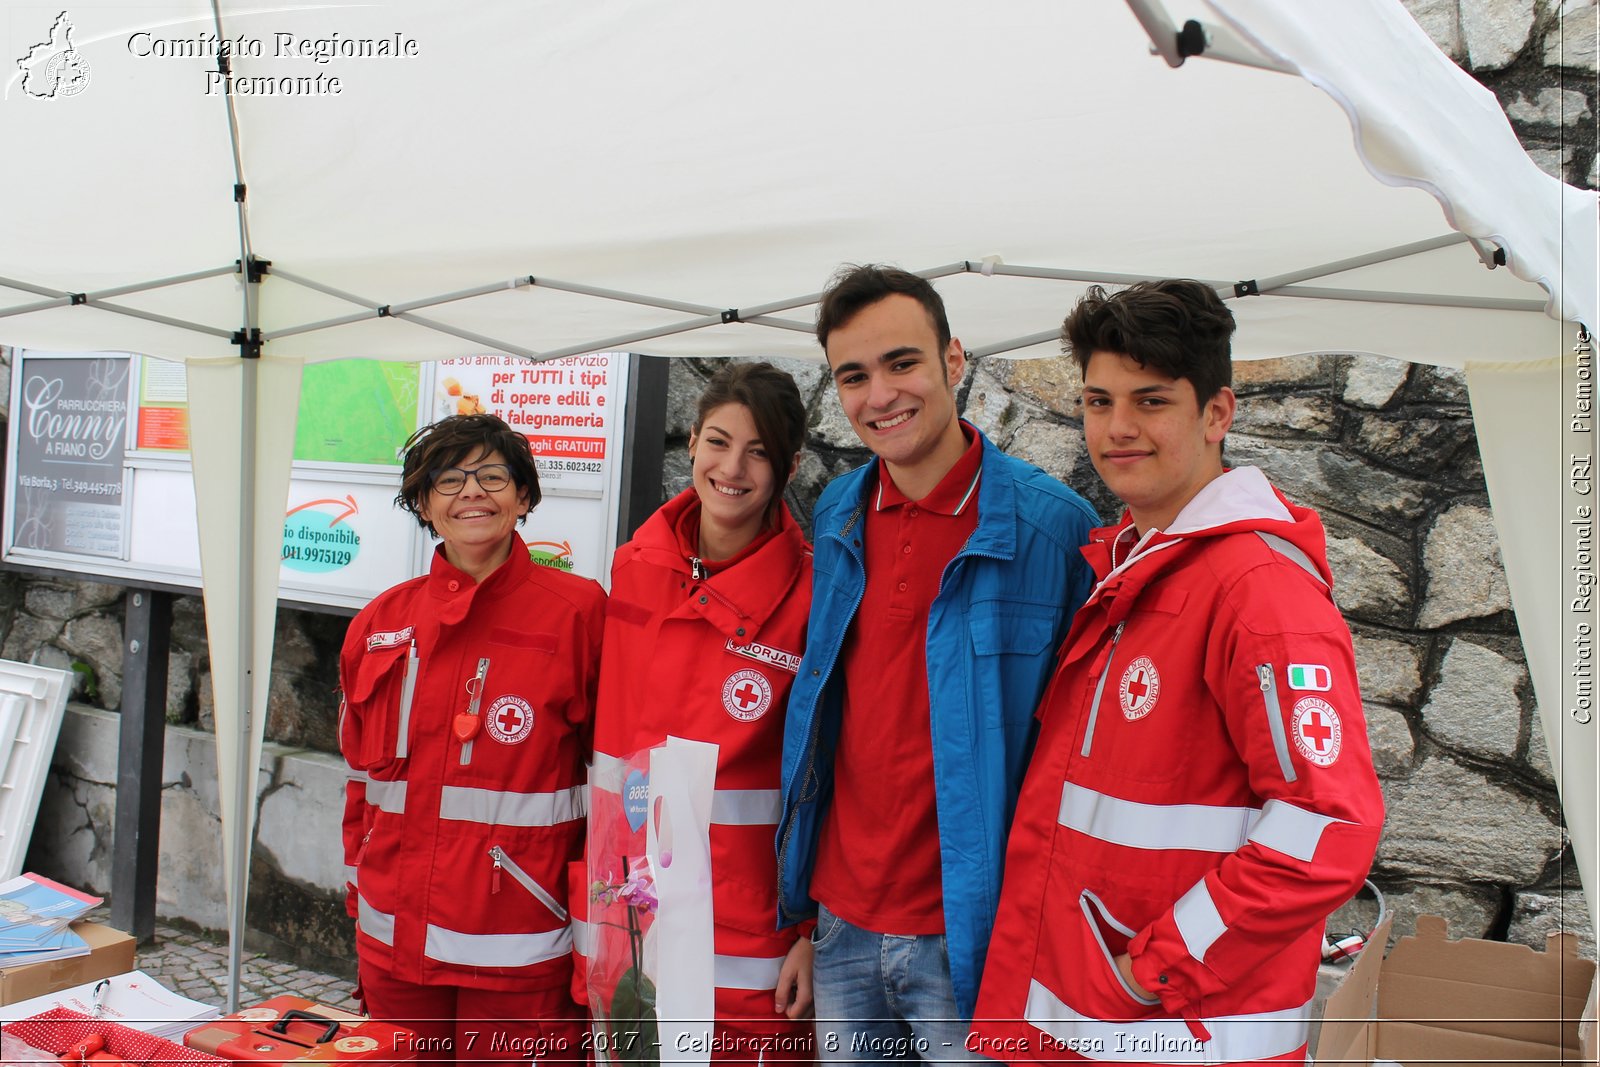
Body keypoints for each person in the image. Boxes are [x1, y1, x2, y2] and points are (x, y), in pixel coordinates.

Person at [970, 281, 1385, 1065]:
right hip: (1086, 1018)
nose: (1118, 428)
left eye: (1150, 401)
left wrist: (1150, 968)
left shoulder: (1259, 590)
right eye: (1098, 401)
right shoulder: (1133, 564)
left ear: (1217, 413)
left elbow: (1328, 826)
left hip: (1176, 1030)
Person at [775, 265, 1100, 1057]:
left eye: (902, 363)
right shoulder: (838, 510)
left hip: (975, 939)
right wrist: (804, 923)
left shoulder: (1055, 528)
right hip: (843, 922)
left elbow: (1080, 757)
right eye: (854, 375)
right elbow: (831, 719)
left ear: (954, 361)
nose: (880, 393)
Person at [339, 413, 603, 1060]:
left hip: (520, 948)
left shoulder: (579, 613)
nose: (471, 493)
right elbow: (357, 785)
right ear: (423, 504)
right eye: (448, 480)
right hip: (394, 946)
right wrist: (360, 905)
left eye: (492, 475)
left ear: (523, 496)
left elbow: (616, 781)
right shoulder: (380, 623)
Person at [586, 362, 816, 1064]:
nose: (733, 467)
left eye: (759, 451)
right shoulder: (634, 566)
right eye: (718, 441)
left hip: (750, 938)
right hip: (628, 912)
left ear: (790, 465)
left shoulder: (815, 593)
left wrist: (810, 928)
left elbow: (835, 770)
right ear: (691, 442)